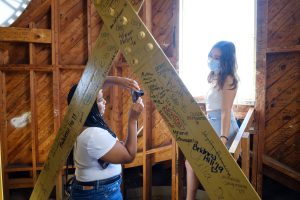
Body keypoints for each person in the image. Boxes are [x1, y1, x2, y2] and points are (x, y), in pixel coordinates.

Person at [68, 76, 144, 200]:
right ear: (89, 107)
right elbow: (129, 155)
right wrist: (133, 119)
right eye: (99, 100)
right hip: (100, 194)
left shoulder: (81, 124)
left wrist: (120, 81)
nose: (104, 102)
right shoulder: (93, 135)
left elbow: (94, 88)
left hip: (96, 191)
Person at [185, 41, 240, 200]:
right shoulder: (215, 76)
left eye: (217, 57)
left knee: (206, 167)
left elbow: (225, 111)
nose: (212, 59)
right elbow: (212, 101)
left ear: (226, 60)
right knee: (191, 162)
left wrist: (223, 139)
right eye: (211, 55)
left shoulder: (228, 78)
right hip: (211, 124)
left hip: (222, 127)